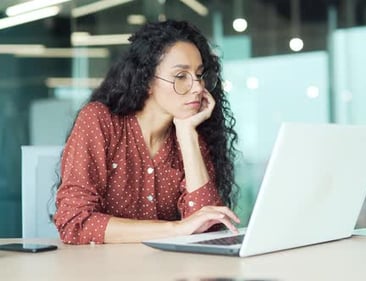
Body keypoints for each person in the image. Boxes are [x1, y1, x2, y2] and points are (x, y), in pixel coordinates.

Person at [53, 20, 240, 244]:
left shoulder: (190, 134)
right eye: (181, 76)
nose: (198, 87)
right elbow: (75, 222)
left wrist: (187, 133)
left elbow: (207, 227)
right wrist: (177, 229)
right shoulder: (100, 120)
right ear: (147, 80)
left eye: (199, 75)